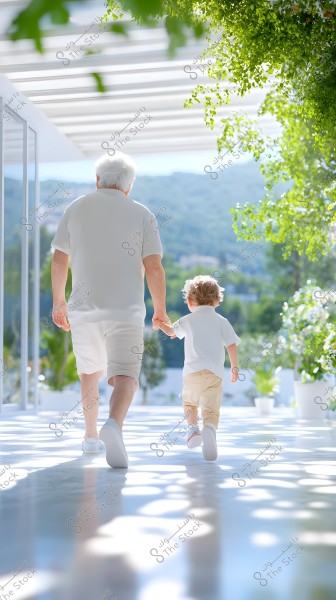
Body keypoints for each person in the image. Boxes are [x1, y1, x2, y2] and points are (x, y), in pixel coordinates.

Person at [50, 151, 170, 468]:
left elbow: (60, 259)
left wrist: (58, 301)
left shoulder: (75, 209)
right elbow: (154, 267)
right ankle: (114, 425)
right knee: (126, 374)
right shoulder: (142, 213)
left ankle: (91, 438)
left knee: (90, 372)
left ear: (98, 180)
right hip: (126, 310)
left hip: (83, 308)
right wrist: (160, 310)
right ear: (128, 187)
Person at [157, 275, 240, 461]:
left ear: (190, 300)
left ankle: (194, 429)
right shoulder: (222, 321)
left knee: (190, 403)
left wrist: (159, 323)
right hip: (214, 373)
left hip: (192, 373)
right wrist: (234, 367)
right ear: (217, 300)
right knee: (211, 410)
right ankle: (209, 429)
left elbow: (171, 332)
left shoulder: (188, 319)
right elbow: (232, 344)